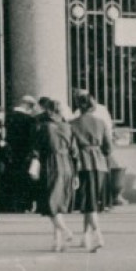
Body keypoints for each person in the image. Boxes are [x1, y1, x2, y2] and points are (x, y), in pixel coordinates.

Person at [31, 97, 79, 250]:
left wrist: (34, 163)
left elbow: (36, 149)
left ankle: (66, 231)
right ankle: (57, 242)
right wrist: (76, 173)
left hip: (50, 165)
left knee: (50, 204)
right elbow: (75, 152)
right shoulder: (68, 127)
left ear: (49, 111)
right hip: (67, 165)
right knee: (58, 204)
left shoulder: (43, 127)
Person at [69, 89, 110, 250]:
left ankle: (98, 234)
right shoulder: (101, 123)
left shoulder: (72, 124)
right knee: (92, 201)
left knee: (88, 202)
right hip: (99, 163)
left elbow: (71, 147)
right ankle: (86, 236)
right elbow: (108, 147)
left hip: (82, 162)